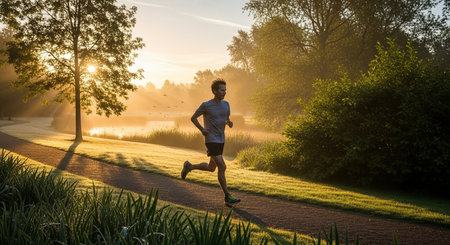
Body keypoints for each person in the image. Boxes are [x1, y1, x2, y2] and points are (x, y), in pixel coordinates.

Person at [181, 78, 240, 206]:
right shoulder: (206, 105)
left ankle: (189, 166)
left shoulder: (226, 104)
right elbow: (193, 118)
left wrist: (228, 122)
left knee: (211, 168)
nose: (224, 92)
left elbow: (226, 118)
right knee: (222, 166)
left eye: (225, 90)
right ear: (214, 91)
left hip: (221, 139)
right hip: (211, 140)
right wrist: (202, 129)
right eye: (221, 90)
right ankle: (227, 196)